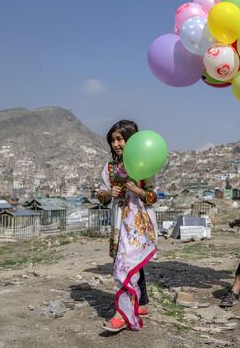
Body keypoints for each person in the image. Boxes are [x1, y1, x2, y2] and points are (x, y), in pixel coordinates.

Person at [97, 120, 158, 332]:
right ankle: (140, 304)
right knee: (130, 266)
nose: (115, 144)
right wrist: (107, 194)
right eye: (112, 140)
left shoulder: (144, 167)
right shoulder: (110, 168)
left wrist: (137, 190)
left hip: (139, 227)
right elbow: (102, 198)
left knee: (126, 267)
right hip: (120, 225)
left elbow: (152, 196)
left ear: (131, 140)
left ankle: (122, 315)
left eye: (120, 139)